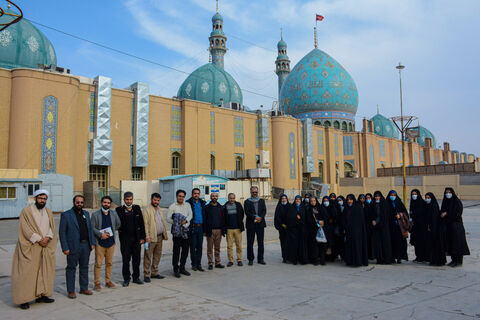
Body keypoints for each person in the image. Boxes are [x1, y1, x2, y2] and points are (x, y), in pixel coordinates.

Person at [11, 189, 57, 309]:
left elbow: (52, 227)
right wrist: (38, 239)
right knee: (27, 273)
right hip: (31, 247)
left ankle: (41, 295)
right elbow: (25, 229)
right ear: (35, 198)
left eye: (45, 199)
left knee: (43, 272)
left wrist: (48, 237)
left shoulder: (48, 212)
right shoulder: (27, 211)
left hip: (44, 247)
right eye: (40, 198)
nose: (43, 201)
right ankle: (24, 299)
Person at [59, 195, 95, 298]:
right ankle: (71, 290)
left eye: (81, 202)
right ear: (74, 202)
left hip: (85, 246)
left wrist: (92, 243)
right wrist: (65, 247)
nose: (79, 204)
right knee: (71, 268)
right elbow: (62, 233)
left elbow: (90, 229)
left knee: (84, 267)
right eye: (77, 202)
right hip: (73, 246)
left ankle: (84, 288)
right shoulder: (66, 215)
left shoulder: (86, 214)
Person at [91, 196, 121, 291]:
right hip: (100, 243)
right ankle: (97, 283)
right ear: (101, 203)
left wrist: (110, 232)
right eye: (104, 202)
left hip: (111, 242)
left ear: (110, 204)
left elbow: (118, 224)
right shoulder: (95, 214)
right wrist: (101, 235)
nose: (106, 204)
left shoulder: (113, 213)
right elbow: (92, 228)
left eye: (108, 203)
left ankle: (108, 281)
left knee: (109, 263)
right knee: (98, 264)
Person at [116, 192, 146, 287]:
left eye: (130, 199)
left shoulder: (136, 208)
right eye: (127, 199)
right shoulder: (119, 210)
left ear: (132, 199)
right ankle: (126, 278)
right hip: (125, 240)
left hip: (136, 239)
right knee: (126, 260)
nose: (129, 201)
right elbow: (117, 224)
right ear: (124, 199)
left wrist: (142, 237)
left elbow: (141, 223)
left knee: (136, 259)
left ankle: (136, 277)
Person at [440, 187, 470, 267]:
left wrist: (447, 214)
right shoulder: (445, 202)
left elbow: (457, 214)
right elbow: (442, 211)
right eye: (446, 192)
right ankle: (453, 260)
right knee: (451, 243)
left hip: (456, 226)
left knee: (457, 243)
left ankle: (459, 261)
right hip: (448, 226)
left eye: (449, 192)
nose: (448, 194)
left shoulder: (457, 202)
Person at [142, 193, 168, 282]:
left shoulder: (159, 209)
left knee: (157, 255)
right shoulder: (147, 210)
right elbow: (145, 224)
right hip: (150, 238)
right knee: (148, 256)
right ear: (151, 199)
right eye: (155, 200)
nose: (156, 202)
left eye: (158, 200)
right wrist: (147, 236)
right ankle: (146, 274)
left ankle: (154, 273)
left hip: (159, 237)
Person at [167, 189, 193, 277]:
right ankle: (175, 268)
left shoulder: (187, 205)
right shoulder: (172, 206)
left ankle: (182, 268)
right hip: (176, 232)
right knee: (176, 251)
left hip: (186, 230)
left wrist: (185, 221)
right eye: (179, 196)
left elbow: (190, 215)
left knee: (185, 250)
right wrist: (177, 222)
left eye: (182, 196)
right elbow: (168, 218)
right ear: (176, 196)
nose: (181, 198)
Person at [342, 194, 368, 267]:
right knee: (349, 246)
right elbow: (344, 218)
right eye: (348, 200)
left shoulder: (358, 207)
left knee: (357, 246)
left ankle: (357, 261)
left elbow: (360, 220)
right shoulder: (346, 208)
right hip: (349, 231)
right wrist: (346, 226)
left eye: (351, 199)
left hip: (357, 231)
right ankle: (350, 261)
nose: (349, 201)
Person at [244, 186, 267, 265]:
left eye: (256, 192)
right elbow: (247, 212)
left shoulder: (261, 201)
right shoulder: (247, 201)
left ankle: (260, 259)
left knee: (260, 242)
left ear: (258, 192)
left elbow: (264, 210)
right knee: (250, 243)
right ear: (250, 192)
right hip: (251, 225)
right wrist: (255, 217)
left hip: (260, 224)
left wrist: (260, 217)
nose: (254, 193)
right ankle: (250, 259)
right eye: (253, 192)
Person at [386, 190, 409, 263]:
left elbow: (405, 213)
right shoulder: (387, 203)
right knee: (391, 242)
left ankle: (399, 257)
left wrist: (400, 215)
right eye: (391, 195)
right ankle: (392, 257)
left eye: (394, 195)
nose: (392, 197)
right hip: (390, 227)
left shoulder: (399, 203)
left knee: (400, 242)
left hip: (399, 227)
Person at [186, 188, 206, 271]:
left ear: (199, 194)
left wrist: (205, 229)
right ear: (192, 194)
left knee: (199, 247)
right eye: (195, 193)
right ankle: (193, 264)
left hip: (200, 227)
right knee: (193, 247)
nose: (196, 195)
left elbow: (205, 216)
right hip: (193, 227)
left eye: (198, 193)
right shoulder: (188, 203)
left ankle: (199, 264)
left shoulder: (202, 203)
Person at [205, 192, 226, 269]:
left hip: (219, 230)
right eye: (213, 196)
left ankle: (217, 263)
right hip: (210, 230)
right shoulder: (207, 207)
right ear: (210, 197)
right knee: (210, 248)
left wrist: (223, 230)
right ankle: (210, 263)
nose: (214, 197)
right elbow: (205, 219)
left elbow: (223, 219)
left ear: (218, 198)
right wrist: (205, 231)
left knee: (217, 248)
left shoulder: (221, 207)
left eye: (216, 196)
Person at [370, 191, 393, 264]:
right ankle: (379, 258)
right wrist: (373, 220)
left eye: (378, 196)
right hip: (376, 228)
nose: (377, 198)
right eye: (376, 196)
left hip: (384, 227)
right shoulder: (373, 204)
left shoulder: (384, 204)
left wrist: (376, 221)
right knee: (377, 244)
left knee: (384, 243)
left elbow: (384, 215)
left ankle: (386, 259)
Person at [224, 193, 245, 267]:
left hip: (237, 229)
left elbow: (242, 214)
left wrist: (239, 223)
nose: (232, 199)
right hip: (229, 229)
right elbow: (223, 217)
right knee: (229, 246)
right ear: (228, 198)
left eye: (233, 198)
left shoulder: (238, 205)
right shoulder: (225, 206)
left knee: (238, 245)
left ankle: (239, 260)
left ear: (235, 198)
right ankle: (231, 261)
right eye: (230, 198)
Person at [305, 196, 328, 265]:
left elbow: (325, 216)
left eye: (314, 200)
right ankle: (315, 260)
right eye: (311, 201)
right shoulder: (308, 209)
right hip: (312, 230)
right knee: (314, 246)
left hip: (321, 229)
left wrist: (322, 221)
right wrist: (316, 222)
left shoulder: (320, 208)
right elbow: (308, 220)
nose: (313, 202)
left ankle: (322, 259)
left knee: (322, 245)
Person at [426, 192, 446, 266]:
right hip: (432, 228)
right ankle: (434, 260)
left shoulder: (433, 206)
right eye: (426, 198)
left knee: (436, 245)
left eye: (428, 198)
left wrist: (431, 227)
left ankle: (438, 261)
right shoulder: (429, 206)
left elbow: (434, 219)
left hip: (435, 229)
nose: (427, 199)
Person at [285, 195, 307, 265]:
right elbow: (289, 217)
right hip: (294, 230)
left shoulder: (303, 207)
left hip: (302, 229)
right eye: (296, 199)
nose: (298, 201)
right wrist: (295, 216)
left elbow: (305, 217)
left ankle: (301, 259)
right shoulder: (292, 207)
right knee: (294, 245)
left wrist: (300, 218)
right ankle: (294, 259)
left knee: (302, 245)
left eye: (299, 199)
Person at [409, 189, 429, 263]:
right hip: (415, 227)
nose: (414, 196)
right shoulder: (412, 203)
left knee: (422, 242)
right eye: (412, 194)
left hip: (422, 226)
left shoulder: (422, 203)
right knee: (416, 243)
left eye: (415, 194)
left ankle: (424, 257)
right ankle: (418, 256)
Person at [274, 194, 289, 263]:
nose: (284, 199)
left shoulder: (290, 206)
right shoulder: (279, 207)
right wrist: (281, 224)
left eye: (285, 198)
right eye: (282, 198)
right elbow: (277, 217)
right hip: (282, 228)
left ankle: (289, 257)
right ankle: (284, 257)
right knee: (283, 243)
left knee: (289, 243)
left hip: (289, 228)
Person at [321, 195, 336, 262]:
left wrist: (332, 220)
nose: (326, 202)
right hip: (324, 228)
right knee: (324, 244)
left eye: (327, 201)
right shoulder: (321, 208)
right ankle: (324, 258)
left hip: (331, 228)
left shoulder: (332, 207)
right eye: (324, 201)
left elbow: (336, 217)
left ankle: (331, 257)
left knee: (331, 243)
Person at [334, 196, 346, 261]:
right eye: (338, 200)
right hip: (338, 227)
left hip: (344, 227)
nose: (339, 202)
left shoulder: (346, 207)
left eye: (340, 200)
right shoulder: (335, 207)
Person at [363, 193, 374, 260]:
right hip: (366, 227)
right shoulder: (364, 206)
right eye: (366, 198)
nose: (368, 199)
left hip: (373, 227)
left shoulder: (374, 205)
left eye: (369, 198)